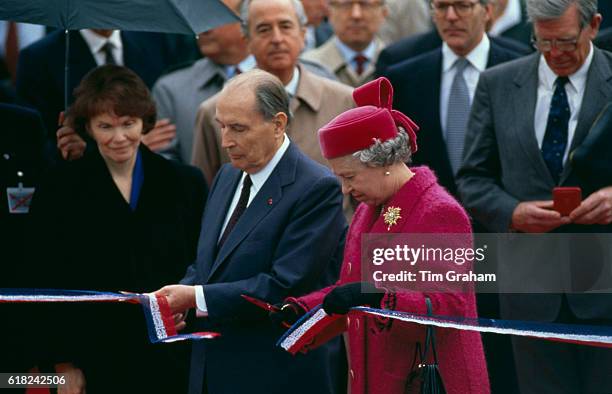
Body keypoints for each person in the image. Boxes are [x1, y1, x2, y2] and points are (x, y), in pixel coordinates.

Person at [271, 77, 490, 394]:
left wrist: (376, 295)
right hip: (378, 374)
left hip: (429, 379)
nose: (345, 189)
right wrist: (300, 311)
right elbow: (351, 292)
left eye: (349, 177)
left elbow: (445, 309)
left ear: (383, 162)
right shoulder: (368, 208)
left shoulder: (439, 212)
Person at [154, 69, 347, 394]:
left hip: (273, 373)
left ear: (278, 124)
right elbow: (209, 264)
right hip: (210, 368)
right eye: (222, 126)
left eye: (239, 129)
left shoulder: (316, 187)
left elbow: (284, 284)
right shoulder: (227, 175)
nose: (226, 141)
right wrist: (179, 297)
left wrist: (196, 297)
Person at [456, 0, 612, 392]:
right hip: (530, 286)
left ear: (593, 26)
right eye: (543, 42)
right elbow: (473, 178)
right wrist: (511, 212)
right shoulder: (498, 83)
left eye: (565, 41)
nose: (555, 53)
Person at [29, 65, 208, 393]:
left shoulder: (185, 182)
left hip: (172, 351)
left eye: (128, 124)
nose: (119, 137)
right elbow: (44, 277)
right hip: (95, 354)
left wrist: (187, 306)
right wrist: (62, 362)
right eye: (105, 126)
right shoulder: (60, 187)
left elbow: (202, 261)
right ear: (88, 127)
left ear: (144, 122)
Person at [191, 0, 354, 185]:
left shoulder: (343, 103)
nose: (277, 39)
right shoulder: (214, 113)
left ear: (303, 34)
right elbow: (207, 196)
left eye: (285, 26)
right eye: (264, 29)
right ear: (247, 40)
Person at [383, 0, 521, 196]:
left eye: (463, 6)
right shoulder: (404, 77)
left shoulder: (519, 69)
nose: (451, 17)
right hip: (429, 213)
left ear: (487, 11)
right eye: (441, 7)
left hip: (502, 215)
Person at [152, 0, 255, 163]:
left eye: (213, 15)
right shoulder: (170, 90)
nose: (202, 27)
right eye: (200, 16)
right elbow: (164, 164)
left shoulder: (286, 77)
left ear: (246, 23)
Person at [301, 0, 388, 87]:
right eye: (346, 5)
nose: (356, 15)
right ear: (329, 12)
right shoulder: (307, 68)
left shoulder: (397, 64)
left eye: (365, 4)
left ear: (383, 13)